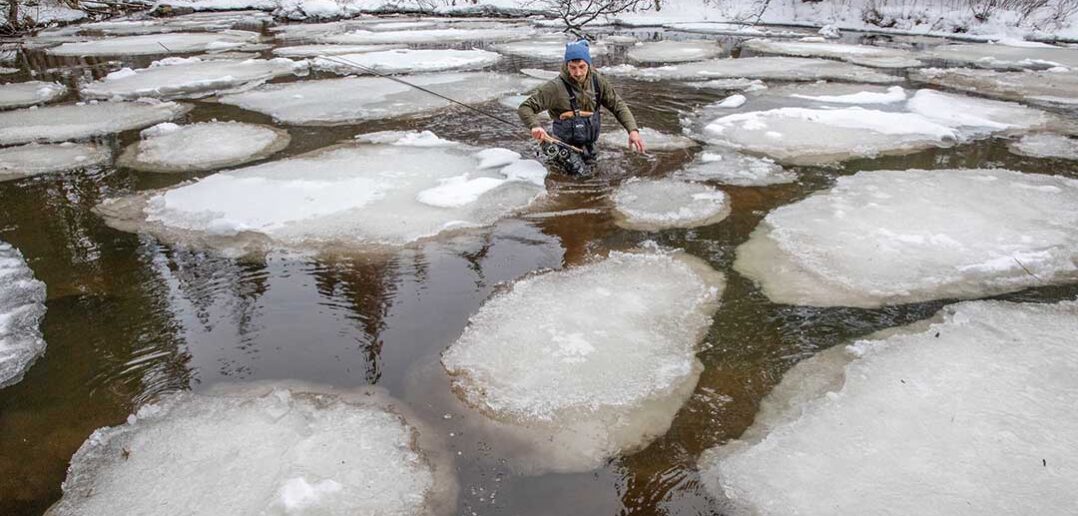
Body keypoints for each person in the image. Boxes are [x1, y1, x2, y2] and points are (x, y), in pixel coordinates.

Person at [517, 39, 646, 175]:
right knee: (579, 177)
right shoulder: (555, 88)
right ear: (566, 65)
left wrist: (632, 130)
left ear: (588, 65)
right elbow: (525, 107)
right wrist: (535, 126)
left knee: (595, 175)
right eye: (573, 67)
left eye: (582, 67)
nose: (578, 73)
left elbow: (617, 105)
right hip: (562, 145)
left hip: (589, 145)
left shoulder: (598, 82)